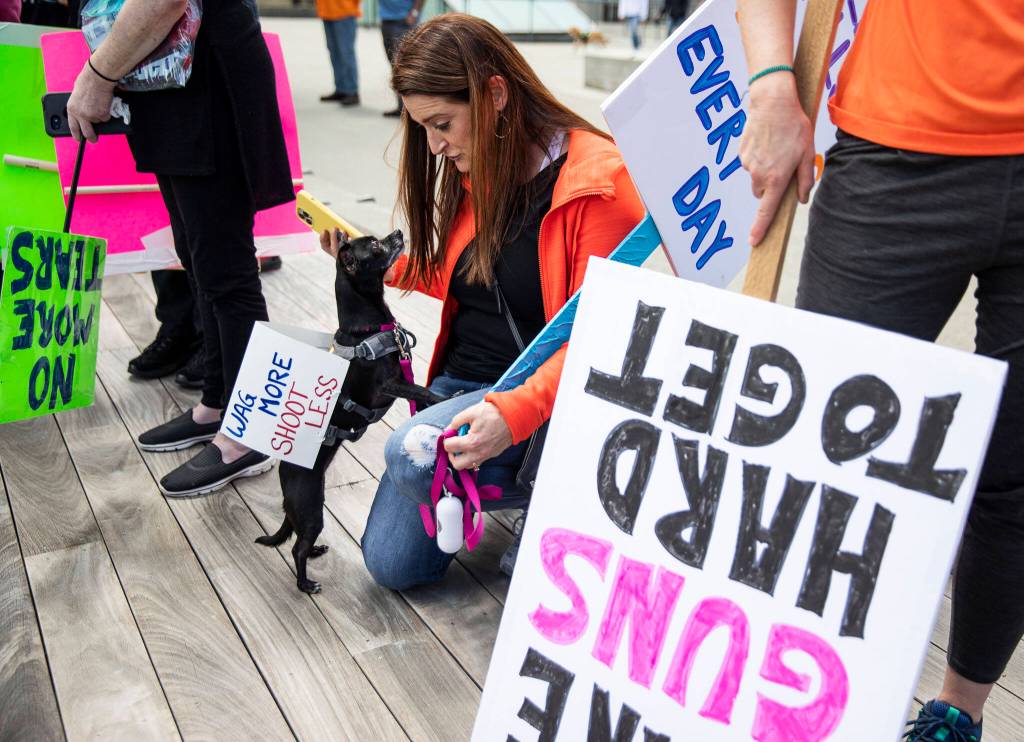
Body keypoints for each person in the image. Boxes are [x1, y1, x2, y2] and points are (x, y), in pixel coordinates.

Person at [737, 1, 1024, 739]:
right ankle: (795, 703)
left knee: (1017, 478)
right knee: (821, 463)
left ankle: (958, 713)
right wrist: (772, 83)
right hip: (895, 148)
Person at [324, 14, 644, 590]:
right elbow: (471, 276)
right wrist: (375, 265)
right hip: (456, 386)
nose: (434, 146)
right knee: (392, 567)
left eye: (442, 124)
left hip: (534, 401)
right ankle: (496, 477)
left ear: (495, 93)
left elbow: (601, 334)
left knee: (409, 455)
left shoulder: (599, 185)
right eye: (423, 127)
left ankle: (548, 479)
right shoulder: (484, 164)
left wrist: (514, 414)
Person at [67, 0, 294, 497]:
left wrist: (98, 73)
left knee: (225, 266)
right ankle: (218, 402)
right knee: (197, 257)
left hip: (203, 77)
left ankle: (248, 436)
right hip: (170, 77)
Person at [378, 0, 422, 118]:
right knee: (394, 65)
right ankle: (402, 107)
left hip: (404, 20)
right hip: (386, 19)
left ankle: (412, 109)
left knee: (404, 65)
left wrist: (414, 12)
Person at [317, 0, 361, 107]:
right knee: (334, 52)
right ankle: (341, 88)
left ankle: (352, 91)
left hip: (345, 12)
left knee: (346, 53)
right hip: (327, 12)